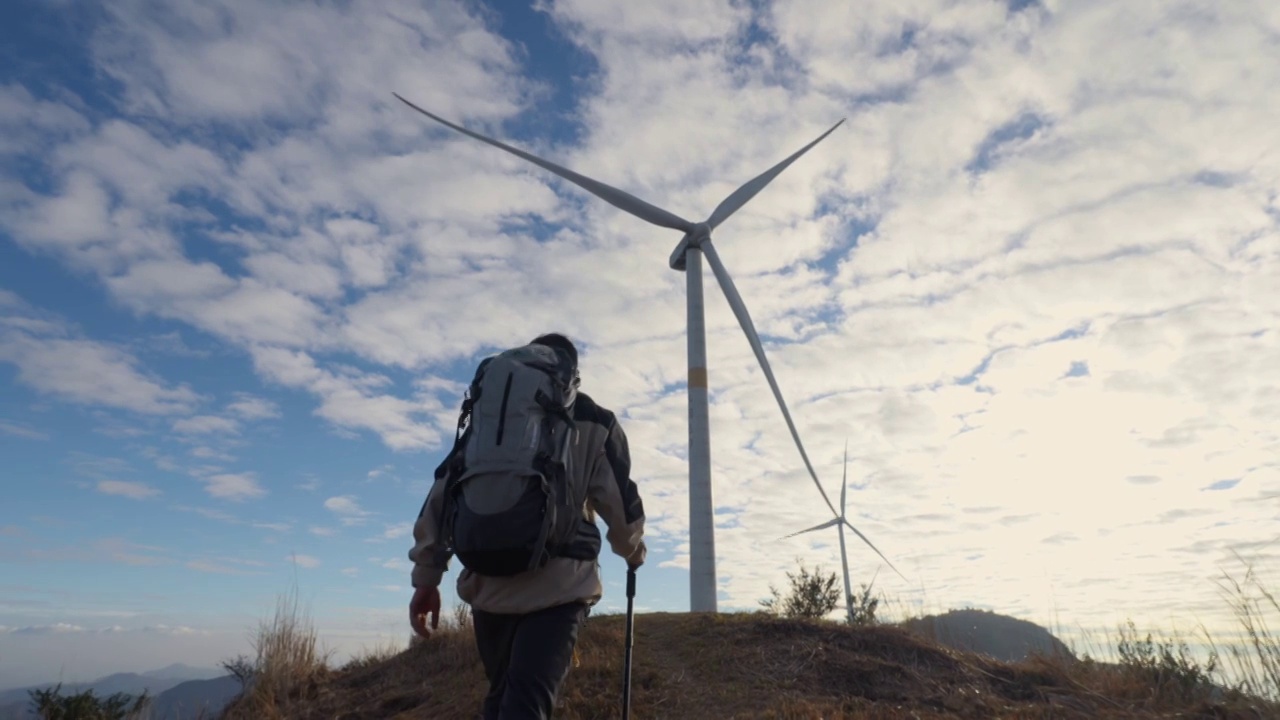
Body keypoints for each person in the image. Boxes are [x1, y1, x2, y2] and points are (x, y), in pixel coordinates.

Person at [408, 332, 646, 720]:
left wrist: (425, 579)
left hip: (488, 583)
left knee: (502, 696)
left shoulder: (489, 421)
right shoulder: (594, 422)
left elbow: (442, 492)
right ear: (569, 372)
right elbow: (621, 508)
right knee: (524, 706)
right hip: (558, 589)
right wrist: (634, 553)